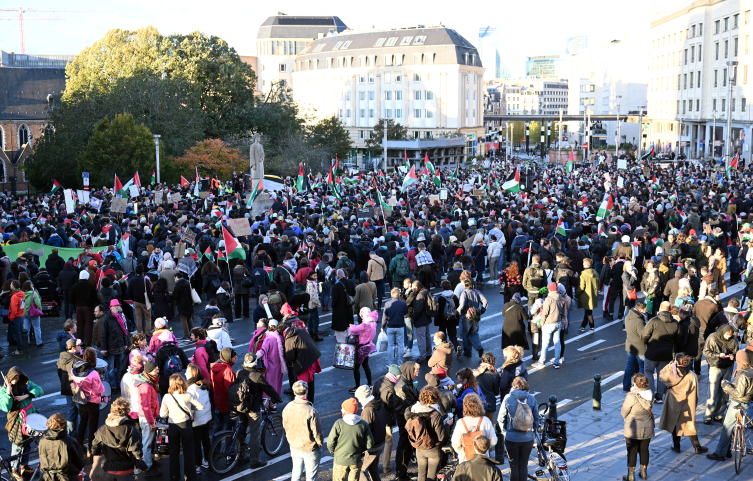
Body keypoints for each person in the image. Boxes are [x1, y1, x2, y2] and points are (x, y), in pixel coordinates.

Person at [91, 397, 151, 480]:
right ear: (127, 411)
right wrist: (139, 457)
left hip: (109, 470)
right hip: (127, 469)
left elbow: (95, 450)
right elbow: (137, 453)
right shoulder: (132, 430)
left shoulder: (101, 430)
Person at [706, 356, 753, 461]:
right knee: (729, 422)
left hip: (738, 403)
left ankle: (720, 453)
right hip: (747, 402)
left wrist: (725, 386)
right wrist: (730, 384)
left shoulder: (743, 373)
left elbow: (738, 393)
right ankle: (727, 448)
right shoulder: (750, 370)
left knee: (726, 427)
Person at [659, 354, 708, 454]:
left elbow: (661, 374)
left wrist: (670, 366)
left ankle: (676, 446)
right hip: (687, 403)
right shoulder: (692, 375)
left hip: (673, 402)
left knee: (674, 423)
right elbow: (695, 392)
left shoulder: (670, 374)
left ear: (676, 362)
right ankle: (697, 447)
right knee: (690, 425)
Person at [0, 367, 44, 480]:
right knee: (17, 446)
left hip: (29, 419)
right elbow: (5, 407)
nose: (16, 380)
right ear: (9, 378)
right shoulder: (5, 390)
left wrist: (26, 395)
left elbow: (39, 390)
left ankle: (24, 466)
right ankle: (15, 469)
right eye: (14, 378)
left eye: (18, 377)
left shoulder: (26, 383)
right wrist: (9, 393)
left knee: (28, 444)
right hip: (17, 421)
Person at [159, 373, 203, 480]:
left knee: (173, 454)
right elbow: (201, 406)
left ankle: (174, 477)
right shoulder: (187, 396)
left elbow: (162, 415)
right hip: (186, 425)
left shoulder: (167, 397)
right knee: (189, 453)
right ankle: (190, 476)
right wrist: (190, 409)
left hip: (173, 426)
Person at [498, 377, 539, 481]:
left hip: (511, 438)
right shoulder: (531, 398)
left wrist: (505, 432)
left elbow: (500, 418)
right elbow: (536, 418)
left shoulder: (508, 398)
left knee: (513, 465)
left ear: (514, 386)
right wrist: (533, 430)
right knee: (523, 465)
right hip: (528, 438)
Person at [641, 301, 681, 403]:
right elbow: (679, 339)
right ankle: (659, 396)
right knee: (662, 374)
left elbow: (644, 335)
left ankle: (650, 394)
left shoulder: (654, 321)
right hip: (666, 354)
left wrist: (646, 343)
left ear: (660, 307)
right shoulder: (675, 323)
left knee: (648, 371)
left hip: (652, 352)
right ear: (669, 309)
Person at [283, 381, 323, 481]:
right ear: (307, 391)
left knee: (296, 472)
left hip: (294, 445)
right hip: (309, 448)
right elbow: (317, 432)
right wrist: (319, 444)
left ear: (293, 391)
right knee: (311, 477)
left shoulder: (287, 408)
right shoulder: (311, 411)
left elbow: (285, 426)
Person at [327, 398, 374, 481]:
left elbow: (330, 442)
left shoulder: (339, 423)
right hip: (355, 460)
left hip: (340, 460)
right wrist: (360, 450)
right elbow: (370, 443)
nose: (341, 410)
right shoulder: (363, 424)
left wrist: (335, 453)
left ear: (346, 410)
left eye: (343, 408)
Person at [406, 386, 447, 481]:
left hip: (419, 448)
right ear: (435, 398)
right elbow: (440, 437)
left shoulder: (414, 410)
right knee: (432, 476)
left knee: (421, 474)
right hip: (433, 450)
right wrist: (447, 426)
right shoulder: (436, 415)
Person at [620, 373, 655, 481]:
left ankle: (631, 476)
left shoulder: (631, 396)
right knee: (644, 450)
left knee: (632, 451)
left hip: (633, 428)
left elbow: (624, 412)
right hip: (647, 426)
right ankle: (643, 473)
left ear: (635, 382)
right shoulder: (650, 394)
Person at [71, 347, 105, 455]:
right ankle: (91, 448)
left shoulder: (74, 370)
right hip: (93, 401)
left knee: (82, 423)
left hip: (81, 400)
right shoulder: (93, 373)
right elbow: (99, 391)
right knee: (92, 426)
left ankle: (79, 445)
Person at [702, 323, 738, 424]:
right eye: (727, 335)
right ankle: (708, 416)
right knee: (712, 391)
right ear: (722, 332)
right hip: (715, 366)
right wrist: (718, 355)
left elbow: (737, 352)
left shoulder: (734, 340)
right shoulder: (712, 337)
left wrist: (733, 356)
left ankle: (719, 414)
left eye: (730, 336)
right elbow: (706, 352)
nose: (728, 337)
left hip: (727, 367)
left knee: (725, 391)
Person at [131, 361, 162, 477]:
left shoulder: (147, 382)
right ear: (149, 372)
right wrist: (151, 422)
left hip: (148, 417)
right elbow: (146, 406)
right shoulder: (145, 386)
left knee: (149, 442)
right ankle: (148, 467)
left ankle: (150, 462)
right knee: (147, 444)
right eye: (155, 370)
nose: (158, 371)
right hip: (147, 419)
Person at [354, 385, 388, 481]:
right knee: (373, 468)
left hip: (373, 446)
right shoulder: (379, 403)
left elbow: (364, 431)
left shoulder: (367, 411)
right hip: (381, 442)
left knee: (360, 470)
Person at [373, 365, 401, 475]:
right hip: (386, 419)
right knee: (388, 442)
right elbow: (391, 405)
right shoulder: (391, 389)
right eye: (399, 375)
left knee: (375, 442)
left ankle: (373, 465)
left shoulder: (378, 382)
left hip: (376, 417)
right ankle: (386, 466)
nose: (399, 377)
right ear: (394, 375)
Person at [394, 361, 419, 481]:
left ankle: (403, 472)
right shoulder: (402, 387)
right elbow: (412, 404)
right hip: (404, 419)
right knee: (404, 446)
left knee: (407, 446)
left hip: (407, 417)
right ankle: (400, 474)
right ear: (410, 371)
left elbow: (417, 395)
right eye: (416, 371)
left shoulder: (408, 382)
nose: (417, 374)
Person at [532, 283, 565, 369]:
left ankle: (541, 362)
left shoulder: (548, 299)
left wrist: (541, 323)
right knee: (557, 343)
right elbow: (563, 312)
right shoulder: (561, 298)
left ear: (550, 289)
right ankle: (557, 362)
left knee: (545, 344)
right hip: (558, 323)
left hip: (548, 324)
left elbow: (544, 313)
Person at [186, 363, 212, 471]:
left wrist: (189, 418)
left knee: (196, 443)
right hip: (205, 417)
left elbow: (191, 407)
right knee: (206, 439)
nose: (185, 373)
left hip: (196, 420)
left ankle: (197, 464)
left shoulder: (191, 388)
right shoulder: (204, 384)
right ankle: (208, 460)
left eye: (187, 372)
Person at [100, 299, 129, 388]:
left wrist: (125, 343)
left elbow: (123, 332)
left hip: (119, 346)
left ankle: (119, 383)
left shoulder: (120, 317)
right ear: (111, 307)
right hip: (111, 348)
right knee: (110, 370)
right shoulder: (106, 319)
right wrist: (103, 348)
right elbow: (103, 334)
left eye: (118, 305)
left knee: (121, 368)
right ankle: (112, 386)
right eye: (115, 305)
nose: (117, 307)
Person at [457, 279, 488, 358]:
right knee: (474, 333)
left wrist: (458, 312)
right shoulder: (477, 292)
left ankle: (468, 351)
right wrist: (482, 311)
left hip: (466, 316)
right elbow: (485, 301)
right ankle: (479, 347)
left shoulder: (464, 293)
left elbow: (462, 305)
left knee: (466, 334)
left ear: (465, 285)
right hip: (476, 316)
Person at [154, 332, 190, 398]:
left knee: (166, 401)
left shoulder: (160, 352)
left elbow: (157, 368)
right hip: (178, 379)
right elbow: (186, 364)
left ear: (162, 340)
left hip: (165, 381)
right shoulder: (178, 350)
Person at [349, 307, 377, 393]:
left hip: (361, 347)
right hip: (368, 345)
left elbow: (354, 329)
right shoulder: (373, 322)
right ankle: (369, 384)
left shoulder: (365, 324)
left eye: (361, 314)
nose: (360, 315)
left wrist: (351, 326)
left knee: (356, 367)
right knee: (366, 365)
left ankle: (357, 387)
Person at [210, 348, 237, 436]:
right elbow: (231, 391)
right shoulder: (228, 371)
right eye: (234, 356)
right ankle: (230, 449)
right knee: (230, 430)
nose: (236, 357)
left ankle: (215, 448)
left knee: (217, 428)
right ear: (228, 357)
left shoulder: (214, 367)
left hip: (218, 404)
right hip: (227, 406)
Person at [623, 303, 648, 392]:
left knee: (630, 365)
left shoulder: (628, 317)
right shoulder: (639, 321)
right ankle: (640, 386)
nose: (646, 311)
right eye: (645, 310)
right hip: (640, 347)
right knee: (642, 366)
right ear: (640, 310)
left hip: (630, 345)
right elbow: (643, 335)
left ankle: (626, 386)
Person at [69, 271, 98, 345]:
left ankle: (80, 343)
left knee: (79, 326)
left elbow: (71, 300)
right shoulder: (91, 286)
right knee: (89, 325)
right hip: (88, 307)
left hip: (78, 307)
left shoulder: (74, 287)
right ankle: (88, 343)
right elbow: (95, 299)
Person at [382, 288, 409, 363]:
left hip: (390, 327)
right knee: (400, 345)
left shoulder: (387, 304)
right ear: (398, 295)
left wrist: (382, 327)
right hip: (400, 326)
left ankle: (390, 363)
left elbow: (384, 317)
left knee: (390, 345)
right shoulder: (403, 304)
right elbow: (406, 312)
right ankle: (400, 362)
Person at [125, 265, 153, 335]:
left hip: (136, 302)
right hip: (145, 302)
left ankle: (140, 334)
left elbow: (128, 292)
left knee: (138, 319)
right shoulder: (145, 280)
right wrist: (152, 301)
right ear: (142, 271)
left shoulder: (132, 280)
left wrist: (133, 298)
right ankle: (147, 333)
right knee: (148, 318)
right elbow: (149, 292)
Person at [332, 269, 356, 343]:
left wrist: (333, 305)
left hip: (339, 309)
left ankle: (342, 343)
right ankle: (349, 340)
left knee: (340, 328)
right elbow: (353, 293)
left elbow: (334, 300)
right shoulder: (351, 282)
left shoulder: (336, 286)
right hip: (348, 307)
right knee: (348, 326)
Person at [475, 352, 501, 420]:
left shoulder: (476, 373)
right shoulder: (494, 374)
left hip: (479, 403)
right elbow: (496, 392)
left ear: (482, 361)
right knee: (490, 424)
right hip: (490, 403)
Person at [577, 258, 599, 331]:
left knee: (588, 311)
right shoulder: (595, 273)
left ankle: (590, 326)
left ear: (586, 264)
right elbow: (598, 283)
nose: (582, 264)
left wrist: (577, 293)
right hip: (593, 294)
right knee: (588, 311)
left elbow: (582, 286)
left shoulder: (583, 274)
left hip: (586, 295)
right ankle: (584, 325)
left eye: (583, 263)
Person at [172, 272, 194, 339]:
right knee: (189, 319)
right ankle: (193, 334)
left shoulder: (177, 285)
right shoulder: (187, 283)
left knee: (183, 319)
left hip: (181, 304)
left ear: (176, 277)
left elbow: (175, 296)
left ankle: (186, 335)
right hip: (189, 303)